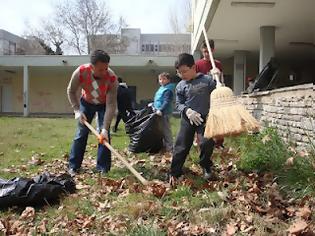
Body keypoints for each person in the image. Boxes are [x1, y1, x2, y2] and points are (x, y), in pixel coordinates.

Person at [66, 49, 118, 176]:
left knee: (104, 136)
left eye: (106, 68)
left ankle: (103, 168)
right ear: (92, 66)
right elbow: (71, 91)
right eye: (101, 69)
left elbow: (111, 105)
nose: (104, 72)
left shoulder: (111, 78)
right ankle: (73, 166)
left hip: (103, 105)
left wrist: (105, 129)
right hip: (86, 103)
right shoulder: (81, 72)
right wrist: (77, 110)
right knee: (81, 133)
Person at [170, 53, 217, 186]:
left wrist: (218, 77)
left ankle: (206, 166)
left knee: (206, 143)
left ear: (193, 67)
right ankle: (175, 171)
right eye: (179, 73)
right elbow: (178, 104)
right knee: (181, 145)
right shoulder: (180, 86)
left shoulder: (207, 81)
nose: (182, 75)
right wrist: (187, 111)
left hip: (204, 118)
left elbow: (219, 93)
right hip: (188, 118)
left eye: (184, 71)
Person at [195, 39, 225, 149]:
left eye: (209, 51)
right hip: (202, 95)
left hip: (215, 95)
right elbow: (195, 81)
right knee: (202, 119)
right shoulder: (198, 64)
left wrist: (219, 80)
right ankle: (200, 141)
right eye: (205, 52)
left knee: (217, 117)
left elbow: (221, 80)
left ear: (213, 50)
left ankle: (218, 142)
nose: (207, 54)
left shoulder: (217, 64)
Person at [153, 72, 175, 153]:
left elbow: (166, 102)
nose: (161, 81)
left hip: (164, 113)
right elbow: (158, 100)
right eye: (160, 79)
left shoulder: (167, 90)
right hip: (157, 112)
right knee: (160, 131)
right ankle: (163, 147)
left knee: (166, 131)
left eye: (164, 79)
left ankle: (170, 149)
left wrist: (161, 110)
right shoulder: (161, 88)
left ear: (168, 80)